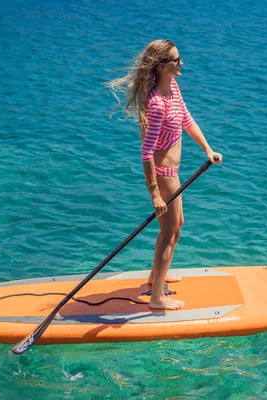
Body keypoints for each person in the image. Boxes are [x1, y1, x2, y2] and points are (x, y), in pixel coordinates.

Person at [109, 39, 222, 310]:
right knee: (169, 233)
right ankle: (157, 298)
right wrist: (155, 195)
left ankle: (154, 278)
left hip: (173, 172)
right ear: (161, 66)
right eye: (176, 60)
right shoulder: (157, 104)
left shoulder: (173, 88)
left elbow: (187, 120)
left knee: (177, 226)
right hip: (163, 176)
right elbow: (146, 153)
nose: (181, 64)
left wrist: (207, 148)